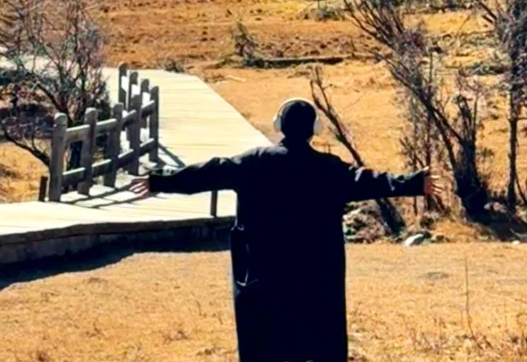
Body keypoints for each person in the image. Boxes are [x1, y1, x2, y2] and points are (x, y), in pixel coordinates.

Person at [130, 96, 441, 362]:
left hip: (264, 276)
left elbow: (209, 172)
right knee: (316, 340)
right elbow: (371, 180)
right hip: (315, 278)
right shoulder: (330, 169)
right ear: (314, 130)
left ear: (278, 125)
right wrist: (414, 183)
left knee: (265, 344)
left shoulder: (253, 163)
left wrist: (161, 180)